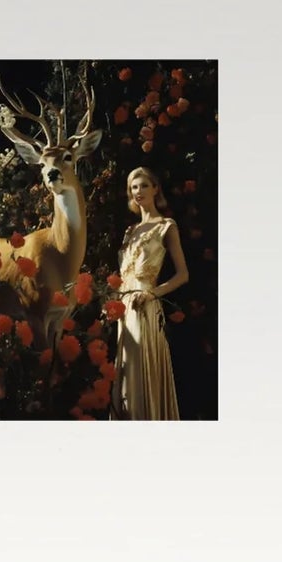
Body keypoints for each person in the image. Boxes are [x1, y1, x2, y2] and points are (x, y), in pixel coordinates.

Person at [112, 166, 190, 421]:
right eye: (134, 187)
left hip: (146, 308)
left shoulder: (166, 226)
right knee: (126, 380)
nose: (138, 191)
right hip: (124, 312)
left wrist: (152, 295)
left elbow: (182, 275)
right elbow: (123, 278)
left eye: (144, 185)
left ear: (156, 188)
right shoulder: (130, 232)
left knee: (141, 373)